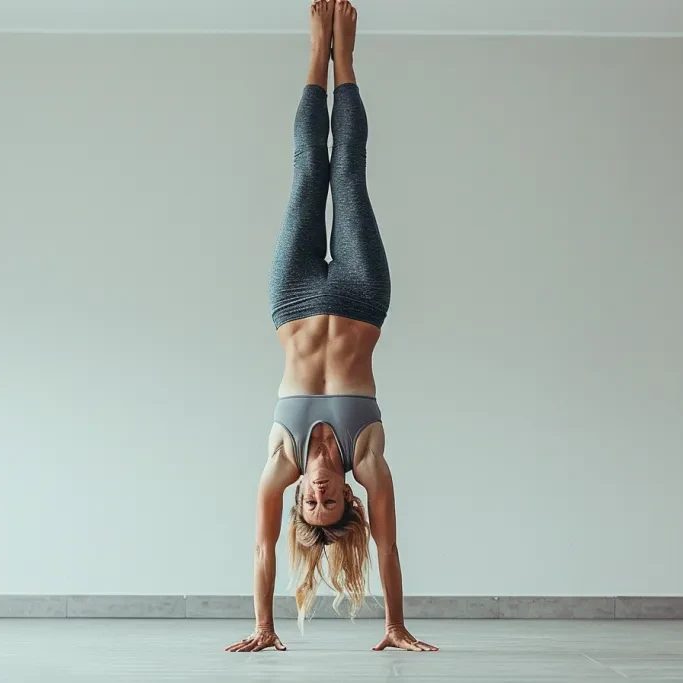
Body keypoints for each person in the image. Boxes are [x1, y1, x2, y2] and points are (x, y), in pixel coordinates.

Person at [226, 0, 437, 654]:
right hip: (361, 295)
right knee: (347, 171)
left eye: (309, 505)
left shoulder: (281, 460)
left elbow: (264, 548)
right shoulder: (366, 459)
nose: (317, 497)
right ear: (348, 498)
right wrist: (394, 623)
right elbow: (390, 542)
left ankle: (315, 53)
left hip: (291, 298)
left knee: (304, 170)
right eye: (330, 506)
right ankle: (345, 58)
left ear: (301, 502)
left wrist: (264, 624)